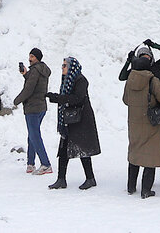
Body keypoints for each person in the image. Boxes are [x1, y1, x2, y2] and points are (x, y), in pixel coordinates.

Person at [119, 39, 160, 188]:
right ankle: (158, 178)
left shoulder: (156, 66)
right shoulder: (137, 71)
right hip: (151, 111)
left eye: (147, 56)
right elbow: (122, 76)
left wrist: (153, 45)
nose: (145, 59)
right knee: (155, 145)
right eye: (142, 57)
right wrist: (129, 61)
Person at [45, 56, 100, 190]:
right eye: (62, 65)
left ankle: (90, 178)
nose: (62, 68)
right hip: (69, 120)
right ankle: (61, 179)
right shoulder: (67, 80)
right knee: (64, 150)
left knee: (82, 150)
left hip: (81, 120)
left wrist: (57, 98)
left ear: (71, 67)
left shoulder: (81, 80)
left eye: (64, 66)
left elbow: (77, 98)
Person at [13, 48, 53, 174]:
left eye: (32, 56)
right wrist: (25, 74)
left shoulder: (35, 70)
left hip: (32, 107)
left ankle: (45, 164)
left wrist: (16, 100)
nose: (29, 59)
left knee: (35, 135)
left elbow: (29, 89)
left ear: (37, 57)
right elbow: (34, 83)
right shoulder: (41, 70)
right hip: (40, 106)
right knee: (32, 134)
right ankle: (30, 163)